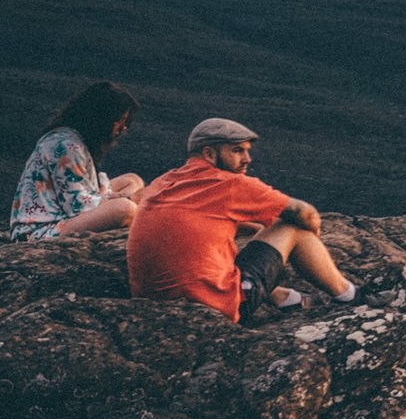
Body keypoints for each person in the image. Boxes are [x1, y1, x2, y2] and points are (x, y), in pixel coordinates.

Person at [127, 117, 360, 321]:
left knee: (232, 243)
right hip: (214, 307)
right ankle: (350, 295)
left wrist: (257, 230)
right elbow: (305, 214)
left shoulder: (163, 182)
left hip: (153, 304)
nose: (247, 159)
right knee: (291, 227)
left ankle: (287, 299)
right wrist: (310, 239)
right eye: (237, 150)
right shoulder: (229, 184)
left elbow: (196, 225)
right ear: (209, 153)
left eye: (247, 151)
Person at [11, 81, 146, 240]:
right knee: (125, 209)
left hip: (67, 209)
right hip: (42, 229)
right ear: (102, 117)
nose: (123, 127)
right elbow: (77, 206)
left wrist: (120, 194)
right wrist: (125, 198)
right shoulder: (66, 146)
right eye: (120, 120)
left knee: (133, 180)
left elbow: (83, 189)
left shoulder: (74, 139)